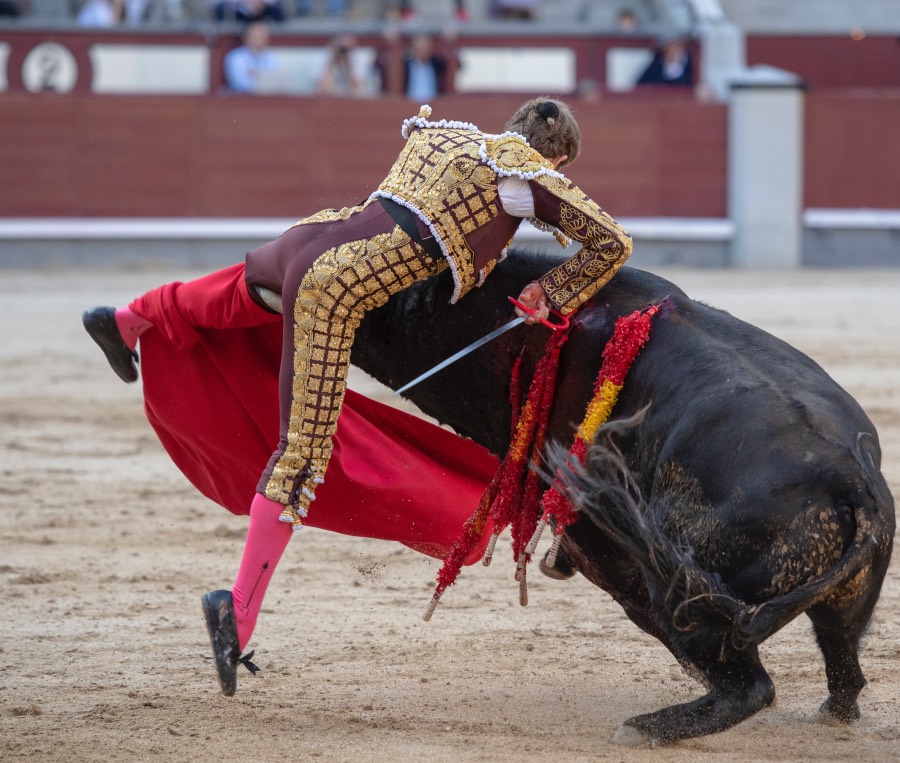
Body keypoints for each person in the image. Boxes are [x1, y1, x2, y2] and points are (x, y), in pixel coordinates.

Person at [82, 97, 633, 697]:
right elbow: (612, 243)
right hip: (332, 289)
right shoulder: (525, 175)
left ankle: (128, 320)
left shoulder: (445, 136)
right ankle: (235, 611)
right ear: (556, 159)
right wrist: (551, 290)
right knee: (299, 457)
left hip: (310, 238)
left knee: (242, 294)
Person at [223, 21, 284, 94]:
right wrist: (260, 85)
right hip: (240, 97)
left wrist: (257, 76)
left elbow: (275, 80)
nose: (259, 40)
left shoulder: (272, 58)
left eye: (262, 37)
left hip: (267, 96)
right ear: (246, 38)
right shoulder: (236, 57)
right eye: (255, 37)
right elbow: (238, 82)